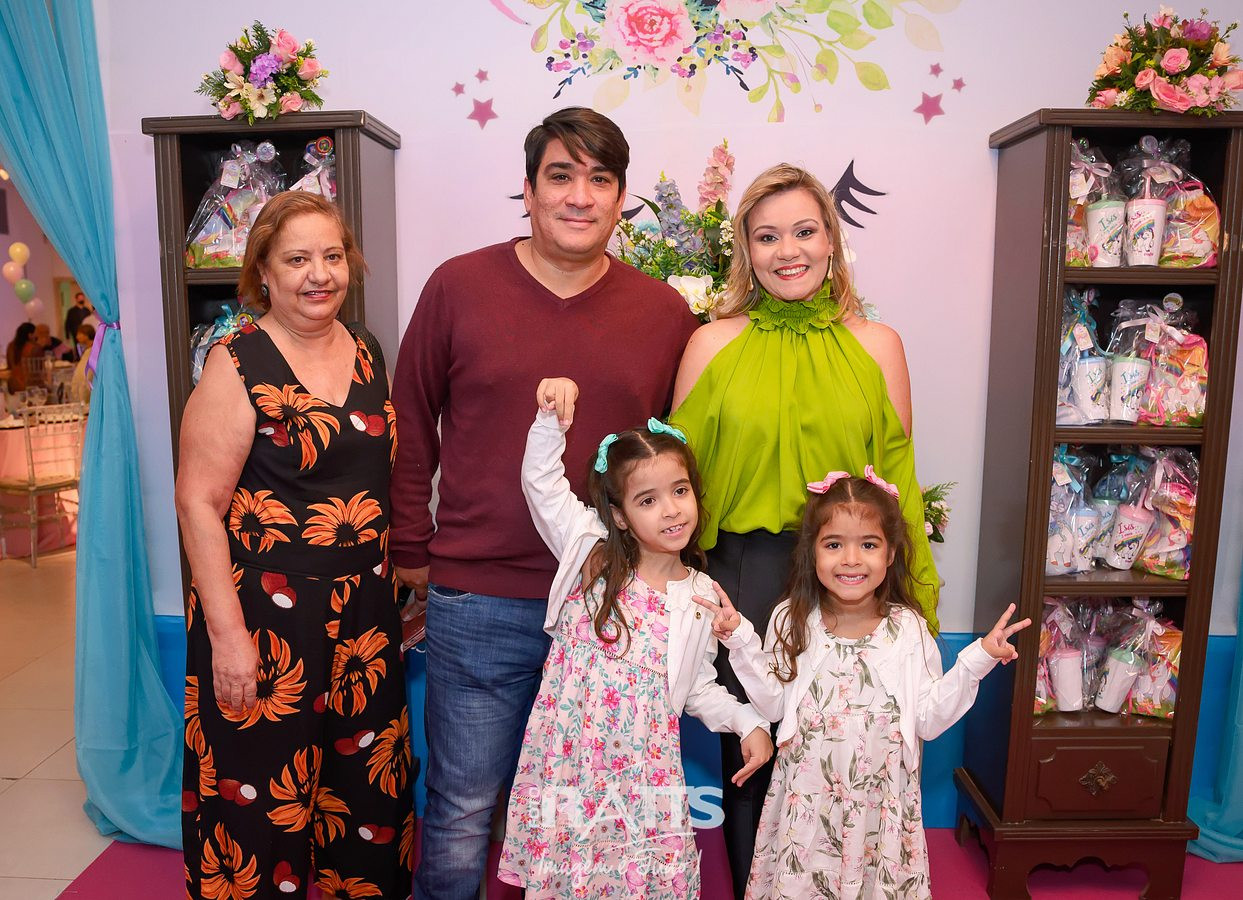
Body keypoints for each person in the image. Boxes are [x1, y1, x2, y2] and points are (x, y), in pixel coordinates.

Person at [391, 106, 698, 899]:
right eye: (560, 176)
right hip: (479, 599)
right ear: (527, 190)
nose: (579, 196)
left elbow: (677, 459)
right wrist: (410, 546)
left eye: (599, 179)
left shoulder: (663, 313)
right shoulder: (458, 286)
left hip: (613, 607)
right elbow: (409, 417)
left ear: (621, 198)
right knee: (462, 807)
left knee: (590, 818)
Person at [668, 163, 940, 894]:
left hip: (853, 579)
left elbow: (898, 483)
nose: (787, 250)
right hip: (745, 575)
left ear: (831, 241)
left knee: (852, 753)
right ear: (746, 251)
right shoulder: (710, 344)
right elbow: (678, 484)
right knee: (756, 752)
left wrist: (913, 595)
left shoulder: (879, 345)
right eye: (767, 236)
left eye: (803, 231)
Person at [175, 191, 413, 900]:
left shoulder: (367, 349)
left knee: (365, 799)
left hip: (365, 615)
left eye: (333, 256)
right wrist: (228, 637)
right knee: (258, 805)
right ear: (264, 273)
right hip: (265, 618)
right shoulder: (236, 362)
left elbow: (378, 478)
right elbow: (198, 502)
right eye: (298, 259)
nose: (320, 274)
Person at [498, 378, 773, 897]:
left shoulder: (700, 595)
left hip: (647, 778)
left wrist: (746, 721)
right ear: (621, 516)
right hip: (572, 765)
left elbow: (696, 688)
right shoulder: (590, 551)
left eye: (680, 491)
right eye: (648, 500)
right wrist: (550, 418)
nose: (671, 509)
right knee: (567, 882)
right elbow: (541, 482)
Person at [695, 472, 1029, 898]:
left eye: (868, 545)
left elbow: (929, 719)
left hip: (880, 814)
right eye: (833, 544)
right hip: (808, 807)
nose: (850, 559)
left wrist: (978, 659)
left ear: (891, 554)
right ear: (811, 552)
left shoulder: (908, 630)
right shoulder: (791, 619)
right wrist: (742, 639)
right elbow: (774, 705)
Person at [4, 322, 37, 392]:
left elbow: (9, 366)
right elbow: (37, 370)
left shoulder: (10, 346)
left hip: (13, 385)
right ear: (30, 335)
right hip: (29, 386)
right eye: (35, 334)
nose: (36, 336)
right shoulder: (33, 347)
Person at [70, 324, 95, 402]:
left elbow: (84, 375)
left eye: (79, 334)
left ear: (86, 335)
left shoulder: (92, 351)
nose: (77, 337)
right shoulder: (89, 350)